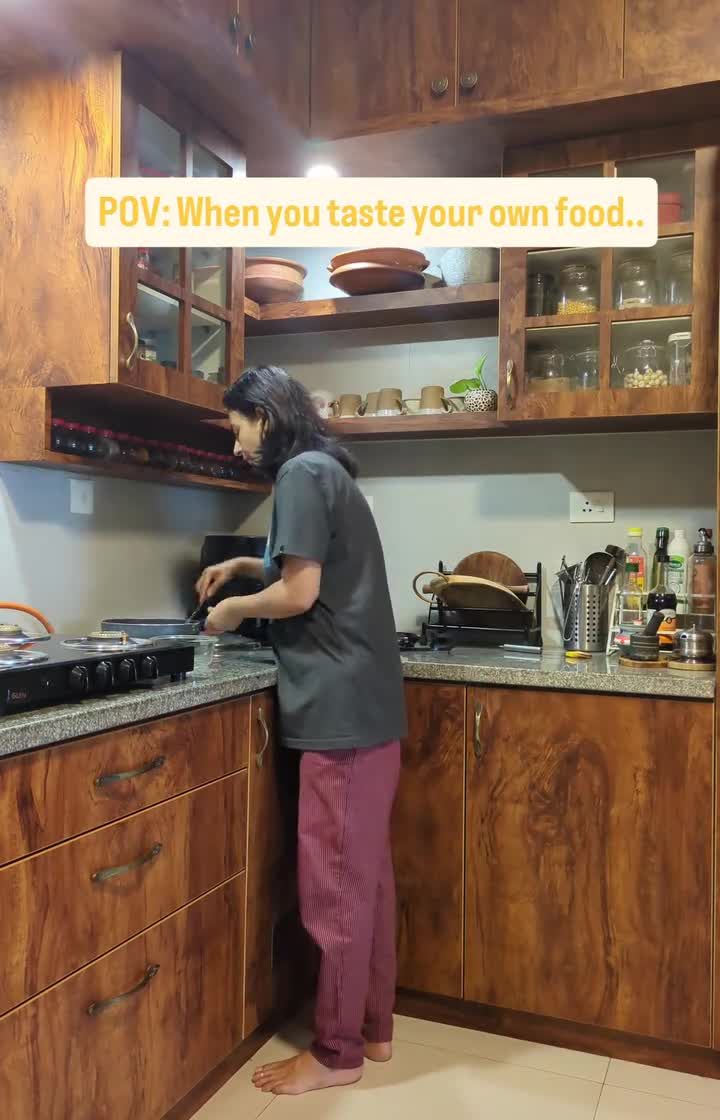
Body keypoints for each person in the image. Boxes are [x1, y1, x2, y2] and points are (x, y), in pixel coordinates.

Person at [196, 366, 407, 1096]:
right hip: (367, 708)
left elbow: (300, 591)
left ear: (265, 415)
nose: (235, 447)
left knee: (335, 891)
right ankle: (373, 1029)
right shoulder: (325, 470)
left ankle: (336, 1053)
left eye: (237, 429)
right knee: (366, 880)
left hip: (337, 712)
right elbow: (310, 565)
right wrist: (245, 563)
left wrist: (232, 610)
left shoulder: (298, 474)